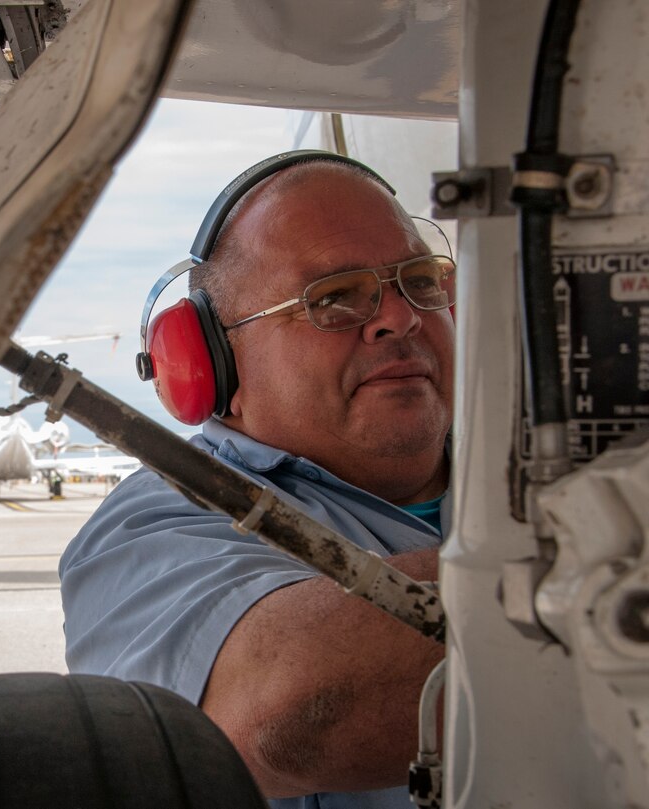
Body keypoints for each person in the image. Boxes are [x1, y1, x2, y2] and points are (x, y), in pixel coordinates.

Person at [59, 151, 453, 809]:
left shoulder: (559, 477)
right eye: (332, 297)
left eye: (419, 280)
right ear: (212, 364)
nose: (400, 316)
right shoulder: (153, 523)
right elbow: (293, 713)